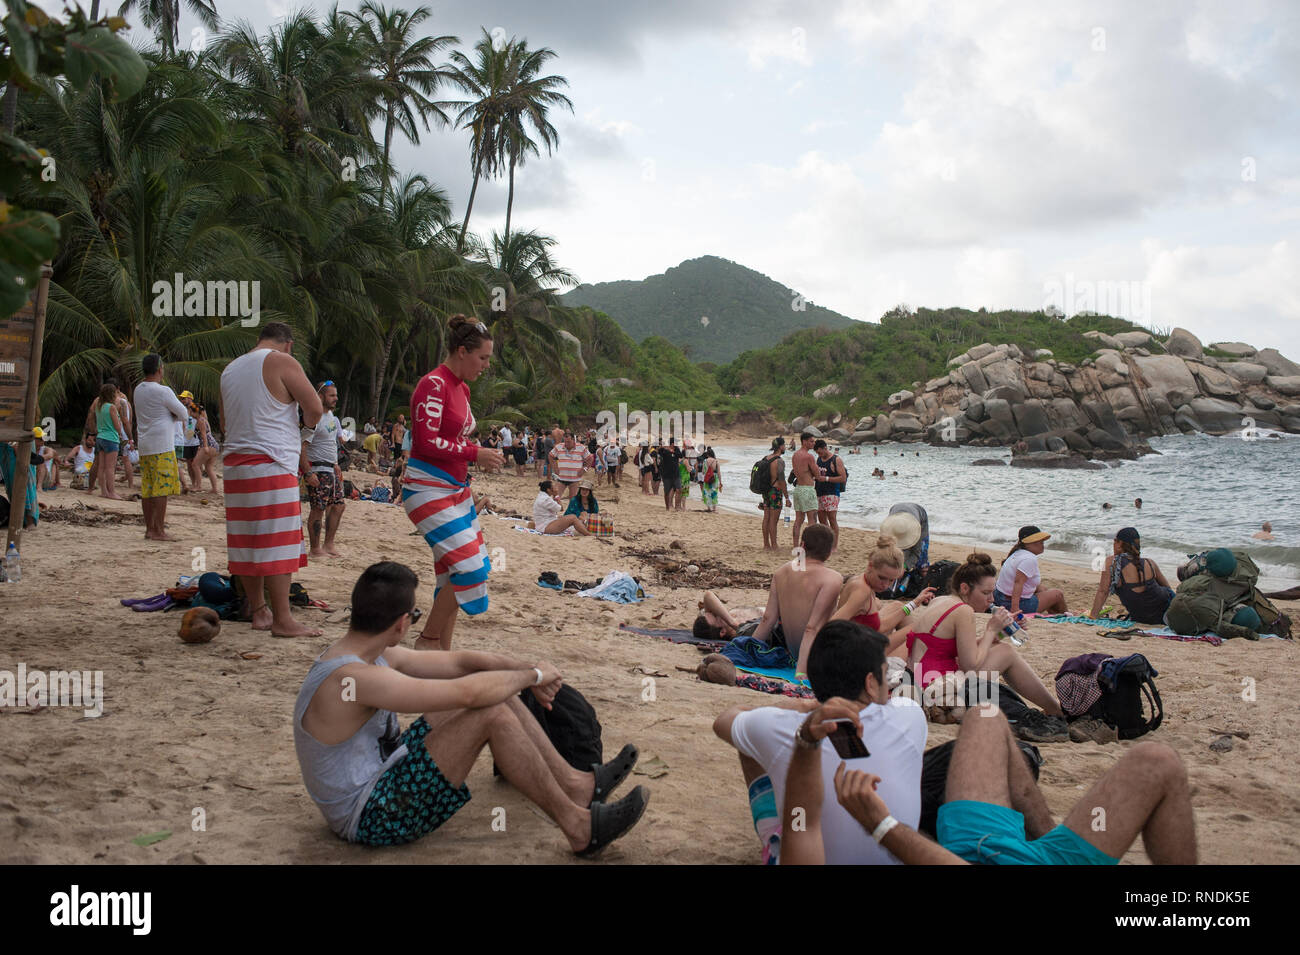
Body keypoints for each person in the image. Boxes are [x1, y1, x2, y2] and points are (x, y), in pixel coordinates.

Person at [294, 561, 649, 853]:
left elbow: (464, 663)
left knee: (497, 691)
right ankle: (579, 827)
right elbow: (467, 694)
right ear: (402, 623)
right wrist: (532, 675)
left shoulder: (369, 652)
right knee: (489, 711)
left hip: (386, 770)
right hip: (369, 814)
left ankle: (576, 786)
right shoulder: (351, 680)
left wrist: (530, 671)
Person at [782, 700, 1196, 866]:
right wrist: (882, 826)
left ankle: (1048, 836)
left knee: (984, 715)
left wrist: (806, 739)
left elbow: (802, 828)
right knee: (1158, 760)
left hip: (975, 846)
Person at [713, 620, 926, 865]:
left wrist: (802, 707)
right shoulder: (910, 715)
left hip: (803, 839)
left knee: (750, 744)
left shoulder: (781, 727)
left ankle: (772, 835)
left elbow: (725, 720)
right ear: (870, 683)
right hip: (895, 849)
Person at [404, 316, 504, 652]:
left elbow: (448, 440)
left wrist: (469, 470)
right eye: (483, 358)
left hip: (454, 491)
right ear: (462, 351)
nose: (486, 365)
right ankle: (428, 640)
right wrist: (476, 452)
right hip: (426, 489)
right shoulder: (433, 385)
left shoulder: (462, 388)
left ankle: (442, 652)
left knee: (451, 573)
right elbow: (426, 441)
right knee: (470, 569)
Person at [219, 322, 324, 638]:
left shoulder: (230, 369)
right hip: (271, 461)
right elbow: (315, 408)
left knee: (247, 541)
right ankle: (283, 619)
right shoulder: (281, 361)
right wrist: (305, 426)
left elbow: (224, 421)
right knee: (279, 544)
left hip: (235, 464)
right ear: (288, 344)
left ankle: (259, 611)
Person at [902, 552, 1063, 718]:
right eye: (986, 593)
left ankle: (1053, 709)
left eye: (992, 593)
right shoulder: (963, 611)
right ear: (965, 588)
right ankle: (1055, 710)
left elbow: (955, 649)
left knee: (1000, 647)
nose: (991, 599)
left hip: (918, 679)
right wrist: (991, 629)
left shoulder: (941, 601)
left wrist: (997, 635)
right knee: (1006, 653)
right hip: (934, 687)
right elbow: (970, 665)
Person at [749, 523, 843, 680]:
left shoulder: (781, 572)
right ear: (829, 553)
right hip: (816, 656)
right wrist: (801, 672)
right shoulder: (832, 578)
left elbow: (768, 619)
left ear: (802, 545)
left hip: (793, 652)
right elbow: (811, 628)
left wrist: (748, 649)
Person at [832, 535, 934, 646]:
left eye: (891, 580)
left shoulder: (862, 581)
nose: (885, 585)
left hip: (865, 637)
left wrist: (915, 603)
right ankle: (917, 664)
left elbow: (880, 626)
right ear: (870, 566)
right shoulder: (862, 591)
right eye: (881, 578)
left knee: (897, 605)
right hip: (859, 651)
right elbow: (832, 625)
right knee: (916, 631)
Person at [133, 355, 189, 540]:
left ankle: (150, 528)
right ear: (159, 369)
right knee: (162, 488)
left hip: (145, 444)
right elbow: (183, 414)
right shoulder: (163, 391)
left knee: (148, 488)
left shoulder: (138, 389)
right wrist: (170, 416)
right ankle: (159, 530)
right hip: (162, 445)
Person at [1088, 528, 1174, 623]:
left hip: (1140, 617)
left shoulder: (1111, 562)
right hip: (1165, 615)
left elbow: (1103, 592)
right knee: (1167, 592)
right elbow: (1168, 588)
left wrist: (1093, 616)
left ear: (1119, 544)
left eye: (1114, 541)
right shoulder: (1150, 563)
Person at [302, 381, 347, 558]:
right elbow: (302, 446)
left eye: (336, 395)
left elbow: (332, 442)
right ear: (320, 396)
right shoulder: (314, 416)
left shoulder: (331, 417)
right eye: (332, 395)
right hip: (318, 469)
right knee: (318, 508)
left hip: (331, 468)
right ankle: (315, 548)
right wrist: (307, 472)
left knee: (338, 506)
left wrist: (336, 464)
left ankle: (328, 544)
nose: (336, 398)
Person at [994, 526, 1067, 615]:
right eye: (1038, 541)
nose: (1042, 543)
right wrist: (1015, 608)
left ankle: (1055, 612)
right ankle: (1066, 616)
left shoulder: (1017, 553)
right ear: (1027, 544)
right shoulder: (1029, 559)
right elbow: (1018, 582)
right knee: (1058, 594)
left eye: (1042, 540)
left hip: (999, 598)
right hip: (1012, 603)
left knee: (1042, 589)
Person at [876, 505, 930, 598]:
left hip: (920, 516)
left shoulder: (916, 529)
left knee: (922, 561)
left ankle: (925, 584)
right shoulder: (890, 527)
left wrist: (904, 567)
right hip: (896, 511)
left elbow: (916, 552)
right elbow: (885, 548)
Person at [91, 383, 128, 500]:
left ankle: (104, 491)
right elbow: (117, 427)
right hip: (111, 438)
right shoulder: (111, 407)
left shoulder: (99, 406)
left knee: (101, 467)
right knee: (110, 468)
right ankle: (111, 492)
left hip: (100, 437)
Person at [693, 590, 766, 642]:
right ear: (722, 632)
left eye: (714, 613)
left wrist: (732, 623)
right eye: (716, 617)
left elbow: (708, 595)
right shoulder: (743, 633)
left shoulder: (730, 620)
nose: (718, 613)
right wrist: (736, 626)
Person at [812, 439, 846, 550]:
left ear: (825, 448)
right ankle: (827, 543)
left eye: (820, 452)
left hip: (832, 493)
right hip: (819, 492)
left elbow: (843, 478)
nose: (819, 454)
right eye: (817, 453)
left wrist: (826, 478)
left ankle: (834, 546)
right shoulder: (819, 459)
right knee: (822, 520)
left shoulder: (836, 460)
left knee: (832, 519)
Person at [757, 438, 790, 552]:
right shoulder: (779, 461)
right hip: (775, 491)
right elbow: (781, 480)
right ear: (780, 447)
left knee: (766, 517)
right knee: (773, 520)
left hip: (766, 491)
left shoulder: (765, 458)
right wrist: (787, 497)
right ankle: (774, 545)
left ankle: (766, 544)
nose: (785, 447)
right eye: (784, 445)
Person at [789, 431, 820, 549]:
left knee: (798, 520)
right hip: (807, 489)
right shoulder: (809, 456)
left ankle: (795, 545)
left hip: (798, 489)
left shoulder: (795, 455)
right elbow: (817, 474)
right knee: (812, 520)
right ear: (805, 441)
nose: (813, 444)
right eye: (811, 441)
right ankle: (810, 546)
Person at [548, 432, 592, 500]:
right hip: (561, 478)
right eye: (565, 441)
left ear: (573, 440)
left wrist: (584, 469)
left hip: (575, 478)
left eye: (568, 441)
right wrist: (554, 467)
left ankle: (571, 510)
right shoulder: (559, 446)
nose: (566, 444)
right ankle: (557, 509)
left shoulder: (581, 447)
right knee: (555, 497)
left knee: (573, 499)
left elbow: (590, 458)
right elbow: (550, 456)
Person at [194, 404, 222, 494]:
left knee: (195, 465)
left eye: (190, 411)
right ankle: (215, 488)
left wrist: (205, 447)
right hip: (215, 446)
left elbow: (203, 435)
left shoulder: (200, 421)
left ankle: (198, 486)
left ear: (195, 412)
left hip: (209, 445)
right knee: (209, 467)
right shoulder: (204, 420)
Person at [657, 437, 683, 512]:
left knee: (679, 489)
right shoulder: (664, 450)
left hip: (676, 474)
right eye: (676, 442)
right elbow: (659, 452)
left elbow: (680, 455)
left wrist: (673, 452)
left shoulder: (676, 449)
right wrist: (664, 448)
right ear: (672, 443)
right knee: (666, 492)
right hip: (666, 474)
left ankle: (677, 507)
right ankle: (667, 507)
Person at [700, 448, 720, 513]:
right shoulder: (716, 461)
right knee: (714, 493)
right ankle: (714, 509)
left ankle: (709, 508)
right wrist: (721, 481)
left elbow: (703, 472)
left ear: (708, 454)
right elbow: (719, 472)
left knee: (707, 492)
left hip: (707, 478)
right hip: (714, 478)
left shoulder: (705, 461)